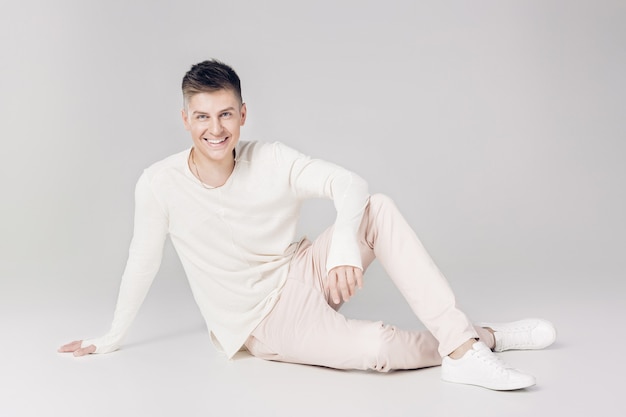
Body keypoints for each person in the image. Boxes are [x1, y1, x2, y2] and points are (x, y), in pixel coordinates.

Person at [59, 59, 556, 391]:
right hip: (264, 321)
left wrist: (342, 245)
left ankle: (462, 348)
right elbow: (141, 263)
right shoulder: (159, 183)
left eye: (226, 114)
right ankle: (485, 337)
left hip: (303, 267)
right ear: (186, 119)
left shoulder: (270, 158)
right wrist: (111, 335)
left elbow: (351, 183)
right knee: (380, 346)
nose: (216, 129)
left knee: (376, 207)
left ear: (243, 114)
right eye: (204, 116)